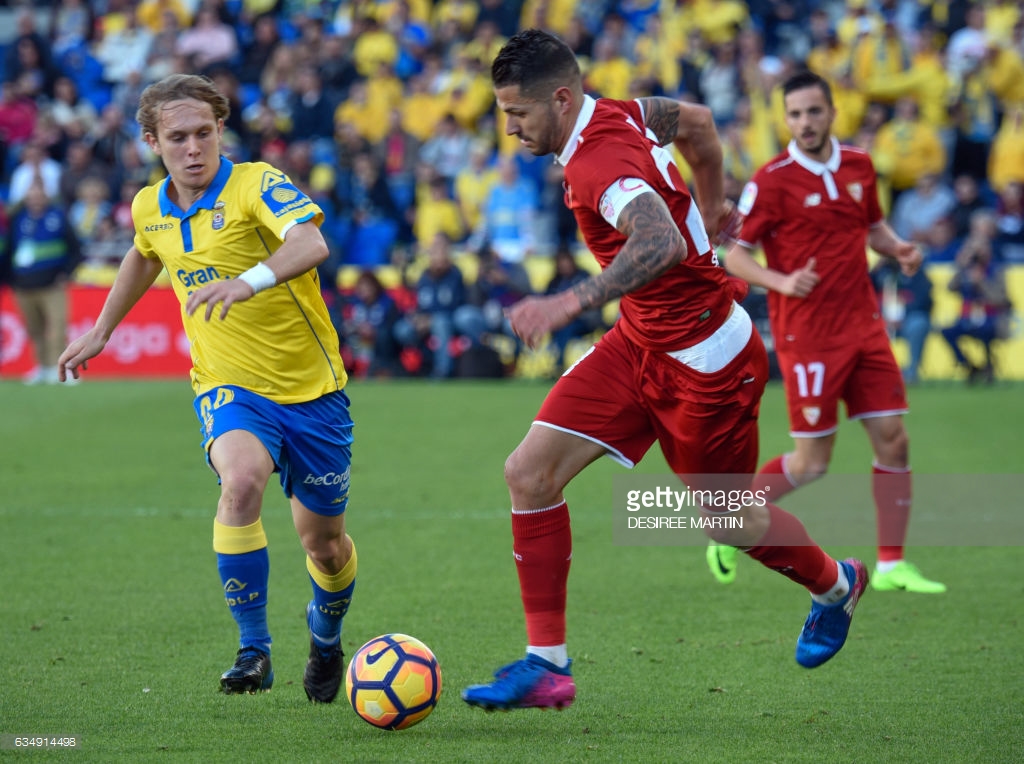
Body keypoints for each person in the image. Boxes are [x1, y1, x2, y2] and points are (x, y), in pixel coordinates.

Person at [462, 30, 869, 713]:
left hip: (710, 363)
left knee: (728, 519)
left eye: (518, 114)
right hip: (639, 343)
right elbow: (701, 127)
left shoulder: (598, 166)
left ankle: (836, 585)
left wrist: (570, 299)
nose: (510, 129)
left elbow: (660, 239)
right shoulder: (621, 111)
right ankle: (548, 665)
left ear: (560, 100)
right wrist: (712, 201)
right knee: (528, 474)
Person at [57, 74, 358, 704]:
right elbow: (145, 253)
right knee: (240, 480)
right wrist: (103, 329)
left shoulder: (256, 183)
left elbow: (311, 241)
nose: (193, 148)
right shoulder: (149, 205)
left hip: (312, 391)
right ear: (151, 142)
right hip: (228, 384)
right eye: (177, 137)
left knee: (324, 547)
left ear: (220, 130)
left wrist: (246, 282)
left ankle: (325, 637)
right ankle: (254, 650)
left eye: (203, 133)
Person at [712, 70, 945, 594]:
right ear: (785, 119)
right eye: (794, 114)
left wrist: (900, 248)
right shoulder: (770, 180)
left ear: (832, 112)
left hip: (864, 326)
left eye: (814, 111)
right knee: (812, 463)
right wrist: (783, 281)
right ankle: (731, 521)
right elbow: (736, 255)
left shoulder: (860, 166)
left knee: (894, 440)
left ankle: (890, 565)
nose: (805, 122)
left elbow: (872, 228)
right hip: (810, 336)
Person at [2, 182, 81, 385]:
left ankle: (61, 370)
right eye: (32, 197)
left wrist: (66, 273)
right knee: (34, 329)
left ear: (45, 197)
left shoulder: (58, 217)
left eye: (39, 196)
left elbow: (76, 249)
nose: (35, 200)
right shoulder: (18, 220)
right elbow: (9, 251)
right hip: (24, 286)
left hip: (52, 285)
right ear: (26, 200)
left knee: (57, 326)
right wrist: (9, 280)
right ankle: (43, 368)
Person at [940, 229, 1012, 384]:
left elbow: (1002, 299)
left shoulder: (997, 270)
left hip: (991, 317)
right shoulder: (966, 269)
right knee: (947, 332)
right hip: (967, 317)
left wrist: (982, 283)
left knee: (986, 330)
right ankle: (969, 365)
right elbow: (950, 288)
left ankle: (988, 366)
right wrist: (960, 266)